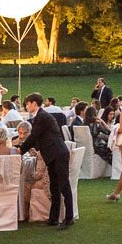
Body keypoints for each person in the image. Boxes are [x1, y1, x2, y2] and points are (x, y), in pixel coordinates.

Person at [18, 93, 73, 228]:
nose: (26, 106)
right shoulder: (41, 116)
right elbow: (39, 139)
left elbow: (34, 136)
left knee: (63, 185)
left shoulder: (42, 117)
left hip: (58, 153)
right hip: (53, 155)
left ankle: (69, 218)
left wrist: (21, 150)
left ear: (34, 104)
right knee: (54, 187)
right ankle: (53, 218)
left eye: (27, 103)